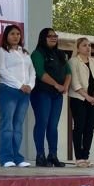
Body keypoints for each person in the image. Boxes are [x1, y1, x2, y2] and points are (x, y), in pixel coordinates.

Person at [0, 25, 34, 168]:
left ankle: (17, 157)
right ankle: (6, 157)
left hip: (25, 92)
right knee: (7, 125)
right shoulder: (1, 52)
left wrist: (30, 85)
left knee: (18, 126)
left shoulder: (25, 53)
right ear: (6, 35)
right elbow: (3, 71)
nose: (16, 36)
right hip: (8, 90)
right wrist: (20, 85)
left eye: (18, 34)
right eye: (12, 34)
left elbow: (32, 72)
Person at [30, 28, 70, 168]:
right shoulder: (37, 53)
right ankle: (40, 155)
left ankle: (53, 155)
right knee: (42, 123)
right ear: (43, 38)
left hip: (57, 95)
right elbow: (40, 73)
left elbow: (68, 72)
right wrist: (57, 85)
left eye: (55, 36)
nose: (53, 38)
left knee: (53, 126)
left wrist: (65, 85)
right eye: (50, 36)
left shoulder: (60, 54)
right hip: (42, 93)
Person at [67, 37, 94, 168]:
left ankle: (86, 156)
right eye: (84, 45)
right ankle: (79, 157)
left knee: (90, 129)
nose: (88, 48)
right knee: (79, 127)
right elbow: (75, 83)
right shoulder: (73, 61)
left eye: (89, 45)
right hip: (79, 99)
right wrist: (88, 97)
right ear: (78, 48)